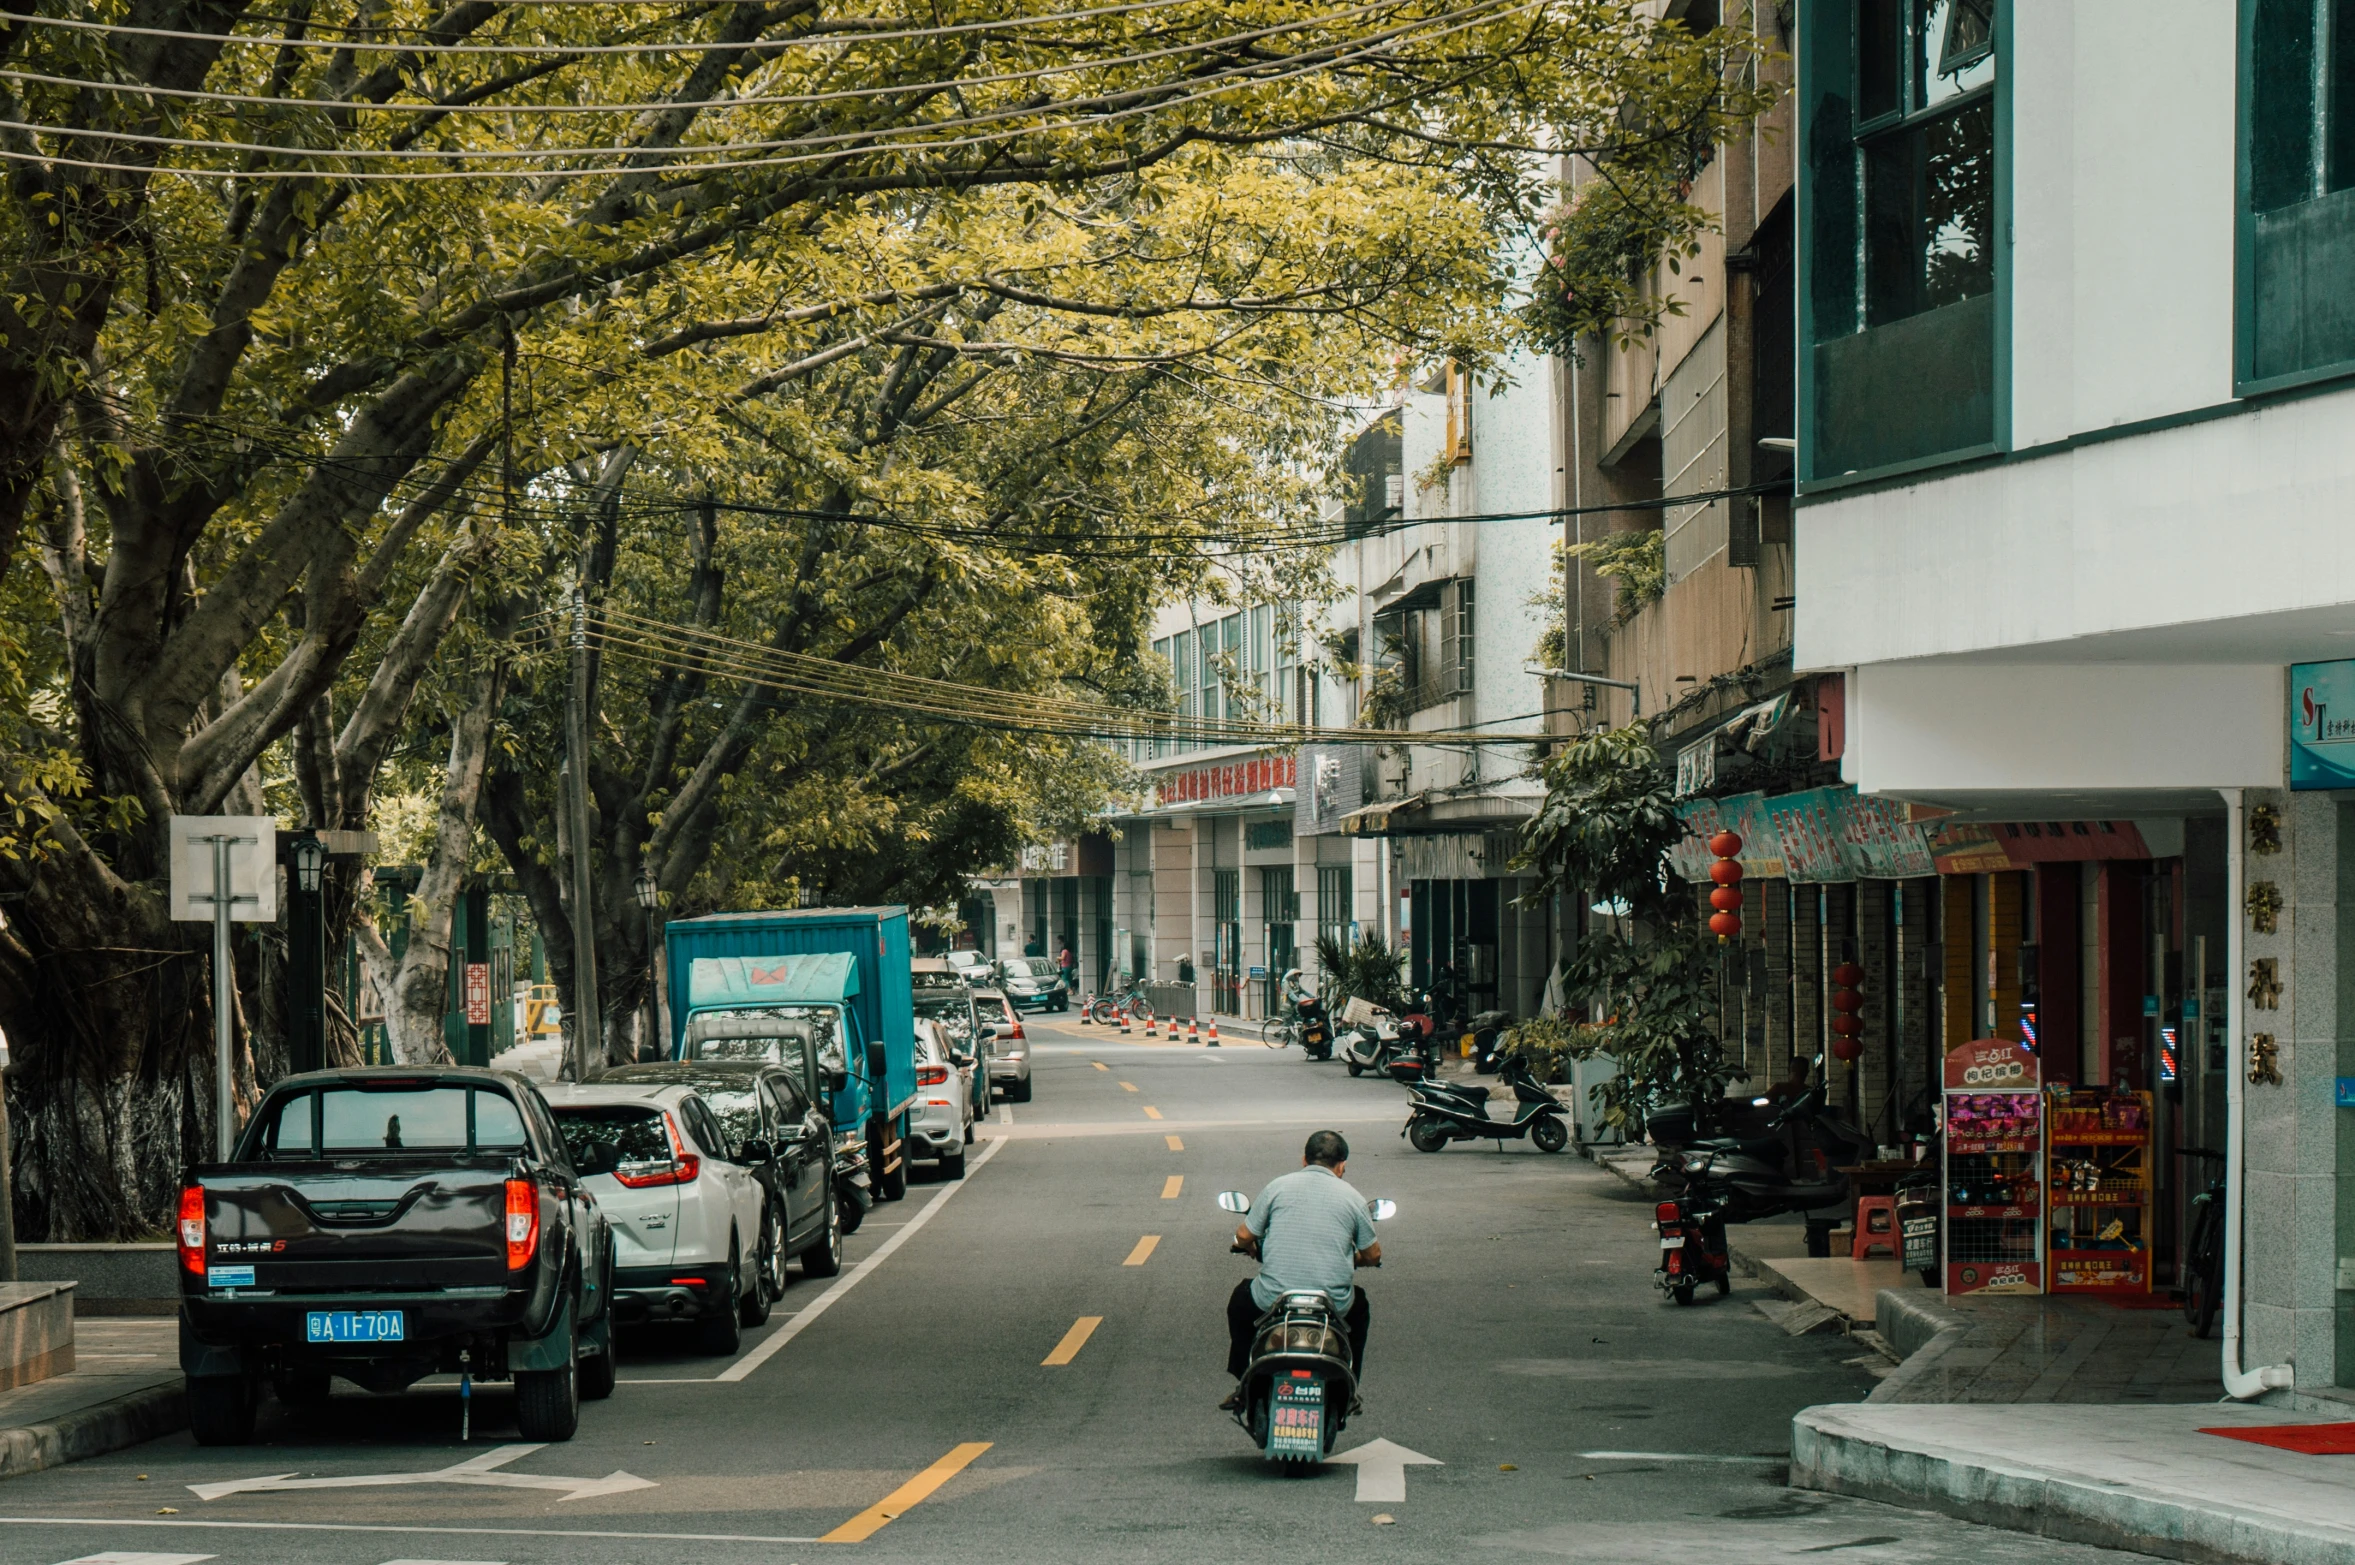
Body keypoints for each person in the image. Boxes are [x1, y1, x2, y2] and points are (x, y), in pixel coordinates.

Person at [1221, 1129, 1379, 1411]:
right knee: (1360, 1308)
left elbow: (1244, 1236)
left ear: (1304, 1159)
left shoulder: (1278, 1187)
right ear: (1342, 1164)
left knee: (1239, 1301)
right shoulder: (1353, 1197)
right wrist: (1355, 1258)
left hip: (1273, 1299)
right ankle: (1349, 1386)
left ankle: (1244, 1379)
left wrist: (1249, 1247)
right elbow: (1373, 1254)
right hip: (1331, 1304)